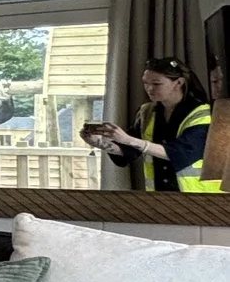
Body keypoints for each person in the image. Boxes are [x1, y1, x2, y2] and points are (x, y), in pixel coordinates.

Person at [83, 56, 219, 192]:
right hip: (159, 195)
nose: (149, 88)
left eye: (156, 84)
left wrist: (127, 139)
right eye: (145, 83)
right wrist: (100, 143)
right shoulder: (146, 112)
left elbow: (181, 153)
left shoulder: (203, 113)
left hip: (200, 197)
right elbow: (130, 150)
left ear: (178, 83)